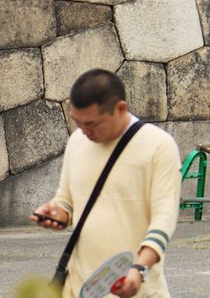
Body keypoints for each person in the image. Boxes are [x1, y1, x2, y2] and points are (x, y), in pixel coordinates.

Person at [33, 69, 182, 296]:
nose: (84, 131)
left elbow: (164, 218)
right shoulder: (77, 142)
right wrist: (56, 214)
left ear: (120, 109)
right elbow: (66, 202)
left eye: (92, 124)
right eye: (77, 122)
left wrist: (139, 268)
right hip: (79, 288)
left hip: (135, 287)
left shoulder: (159, 146)